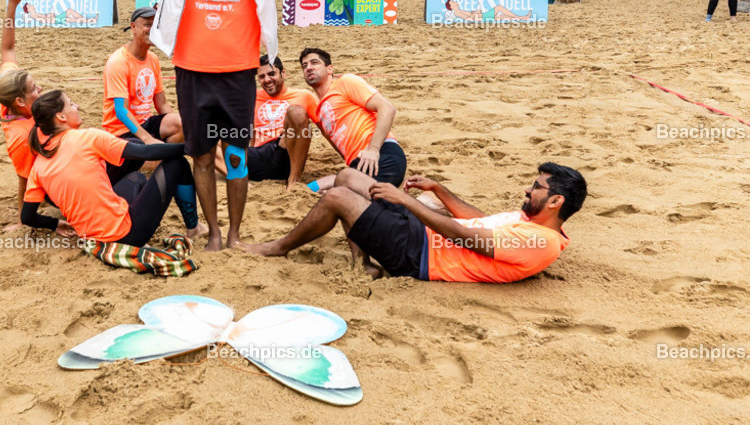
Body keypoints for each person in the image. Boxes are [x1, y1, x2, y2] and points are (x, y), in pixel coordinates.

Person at [41, 0, 415, 250]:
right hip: (191, 71)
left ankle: (234, 234)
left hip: (238, 74)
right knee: (201, 156)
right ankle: (215, 234)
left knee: (236, 155)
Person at [246, 163, 586, 283]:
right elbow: (476, 220)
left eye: (537, 188)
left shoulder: (541, 242)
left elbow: (465, 237)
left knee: (337, 198)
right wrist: (438, 189)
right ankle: (361, 264)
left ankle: (278, 248)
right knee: (348, 176)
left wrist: (406, 200)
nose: (528, 189)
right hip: (421, 234)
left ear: (556, 202)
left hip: (421, 256)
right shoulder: (530, 221)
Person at [21, 90, 200, 246]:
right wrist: (192, 148)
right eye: (71, 104)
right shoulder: (86, 137)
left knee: (136, 178)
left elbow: (27, 217)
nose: (77, 107)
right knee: (177, 163)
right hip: (128, 234)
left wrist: (55, 224)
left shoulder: (39, 164)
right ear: (61, 117)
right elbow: (146, 153)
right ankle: (194, 228)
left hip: (91, 237)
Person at [299, 48, 406, 190]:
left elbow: (387, 108)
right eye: (304, 66)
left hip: (381, 154)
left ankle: (425, 205)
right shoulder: (320, 109)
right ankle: (425, 203)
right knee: (312, 189)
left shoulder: (345, 82)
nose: (309, 68)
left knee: (349, 200)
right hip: (358, 166)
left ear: (329, 69)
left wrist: (373, 149)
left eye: (314, 62)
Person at [103, 7, 187, 183]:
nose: (153, 29)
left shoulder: (153, 59)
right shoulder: (119, 61)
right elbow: (121, 111)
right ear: (133, 27)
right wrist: (148, 140)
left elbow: (162, 103)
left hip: (145, 122)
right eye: (147, 25)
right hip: (121, 131)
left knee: (181, 123)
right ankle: (153, 162)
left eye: (156, 25)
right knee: (147, 151)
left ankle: (157, 162)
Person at [0, 0, 47, 216]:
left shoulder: (9, 87)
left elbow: (8, 48)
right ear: (21, 102)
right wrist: (25, 218)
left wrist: (12, 5)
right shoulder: (22, 136)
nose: (40, 88)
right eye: (34, 88)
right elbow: (24, 178)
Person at [216, 55, 316, 190]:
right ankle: (239, 178)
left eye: (271, 74)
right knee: (205, 134)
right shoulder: (252, 96)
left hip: (284, 150)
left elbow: (328, 125)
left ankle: (294, 181)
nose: (267, 80)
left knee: (296, 112)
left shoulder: (303, 95)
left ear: (283, 73)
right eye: (262, 77)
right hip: (257, 155)